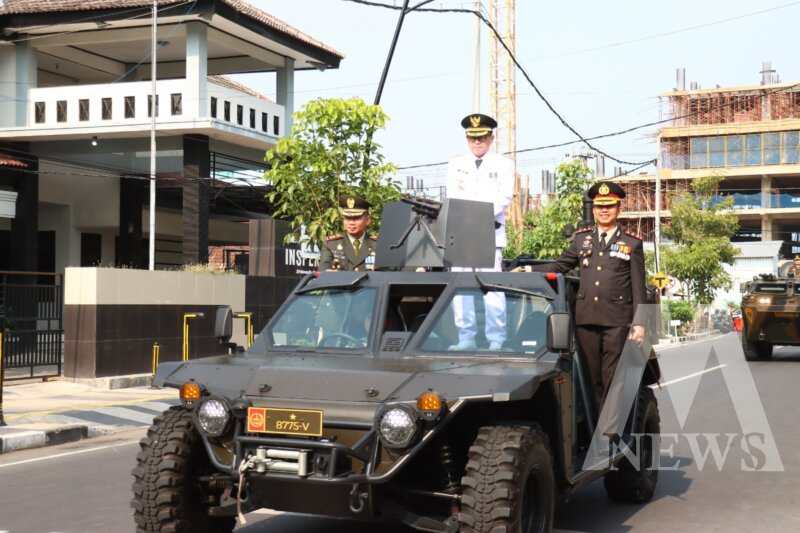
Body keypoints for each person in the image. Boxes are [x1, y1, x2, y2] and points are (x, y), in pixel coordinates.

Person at [534, 181, 646, 413]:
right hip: (586, 320)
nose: (604, 211)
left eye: (609, 206)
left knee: (612, 377)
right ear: (593, 210)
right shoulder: (581, 240)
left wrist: (640, 323)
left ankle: (610, 430)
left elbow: (638, 286)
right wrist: (528, 271)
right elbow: (559, 266)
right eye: (599, 207)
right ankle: (598, 426)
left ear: (618, 209)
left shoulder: (631, 243)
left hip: (617, 321)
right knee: (590, 377)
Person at [445, 113, 514, 350]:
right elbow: (453, 196)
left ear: (491, 138)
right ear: (467, 138)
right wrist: (467, 218)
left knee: (492, 287)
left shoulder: (504, 164)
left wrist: (478, 215)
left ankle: (496, 338)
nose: (477, 142)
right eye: (473, 138)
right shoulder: (456, 164)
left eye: (482, 138)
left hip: (488, 232)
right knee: (460, 287)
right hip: (463, 234)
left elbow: (504, 197)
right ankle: (466, 337)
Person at [319, 195, 378, 272]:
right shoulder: (331, 244)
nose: (351, 223)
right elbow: (324, 274)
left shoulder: (378, 245)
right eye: (347, 218)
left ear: (368, 220)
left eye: (356, 218)